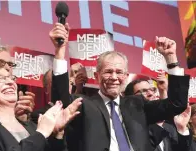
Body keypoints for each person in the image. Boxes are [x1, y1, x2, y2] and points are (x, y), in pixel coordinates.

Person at [49, 22, 190, 151]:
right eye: (108, 72)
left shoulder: (138, 104)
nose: (114, 77)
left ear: (126, 76)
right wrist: (60, 51)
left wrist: (171, 59)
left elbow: (177, 104)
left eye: (119, 72)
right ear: (97, 76)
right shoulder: (84, 104)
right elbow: (60, 103)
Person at [0, 60, 82, 151]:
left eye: (11, 78)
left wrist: (57, 134)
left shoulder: (32, 126)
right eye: (0, 78)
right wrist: (42, 133)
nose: (10, 82)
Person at [124, 72, 192, 151]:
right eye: (143, 91)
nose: (151, 93)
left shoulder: (168, 127)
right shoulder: (132, 127)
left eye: (153, 89)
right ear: (130, 99)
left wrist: (181, 129)